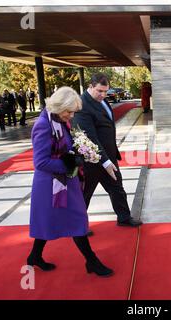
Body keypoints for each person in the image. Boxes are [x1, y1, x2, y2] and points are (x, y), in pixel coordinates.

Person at [27, 86, 113, 277]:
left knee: (56, 221)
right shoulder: (44, 124)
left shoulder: (59, 120)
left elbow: (65, 146)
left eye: (73, 111)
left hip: (66, 180)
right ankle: (91, 261)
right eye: (69, 111)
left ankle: (34, 256)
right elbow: (40, 162)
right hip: (51, 184)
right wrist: (68, 163)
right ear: (58, 106)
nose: (71, 116)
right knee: (75, 219)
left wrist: (79, 152)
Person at [72, 73, 142, 231]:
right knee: (85, 194)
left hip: (107, 157)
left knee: (117, 187)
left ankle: (124, 218)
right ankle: (77, 226)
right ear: (90, 86)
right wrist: (104, 160)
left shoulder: (102, 101)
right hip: (92, 160)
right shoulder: (82, 105)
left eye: (106, 91)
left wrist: (109, 158)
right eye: (100, 91)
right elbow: (89, 137)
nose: (103, 95)